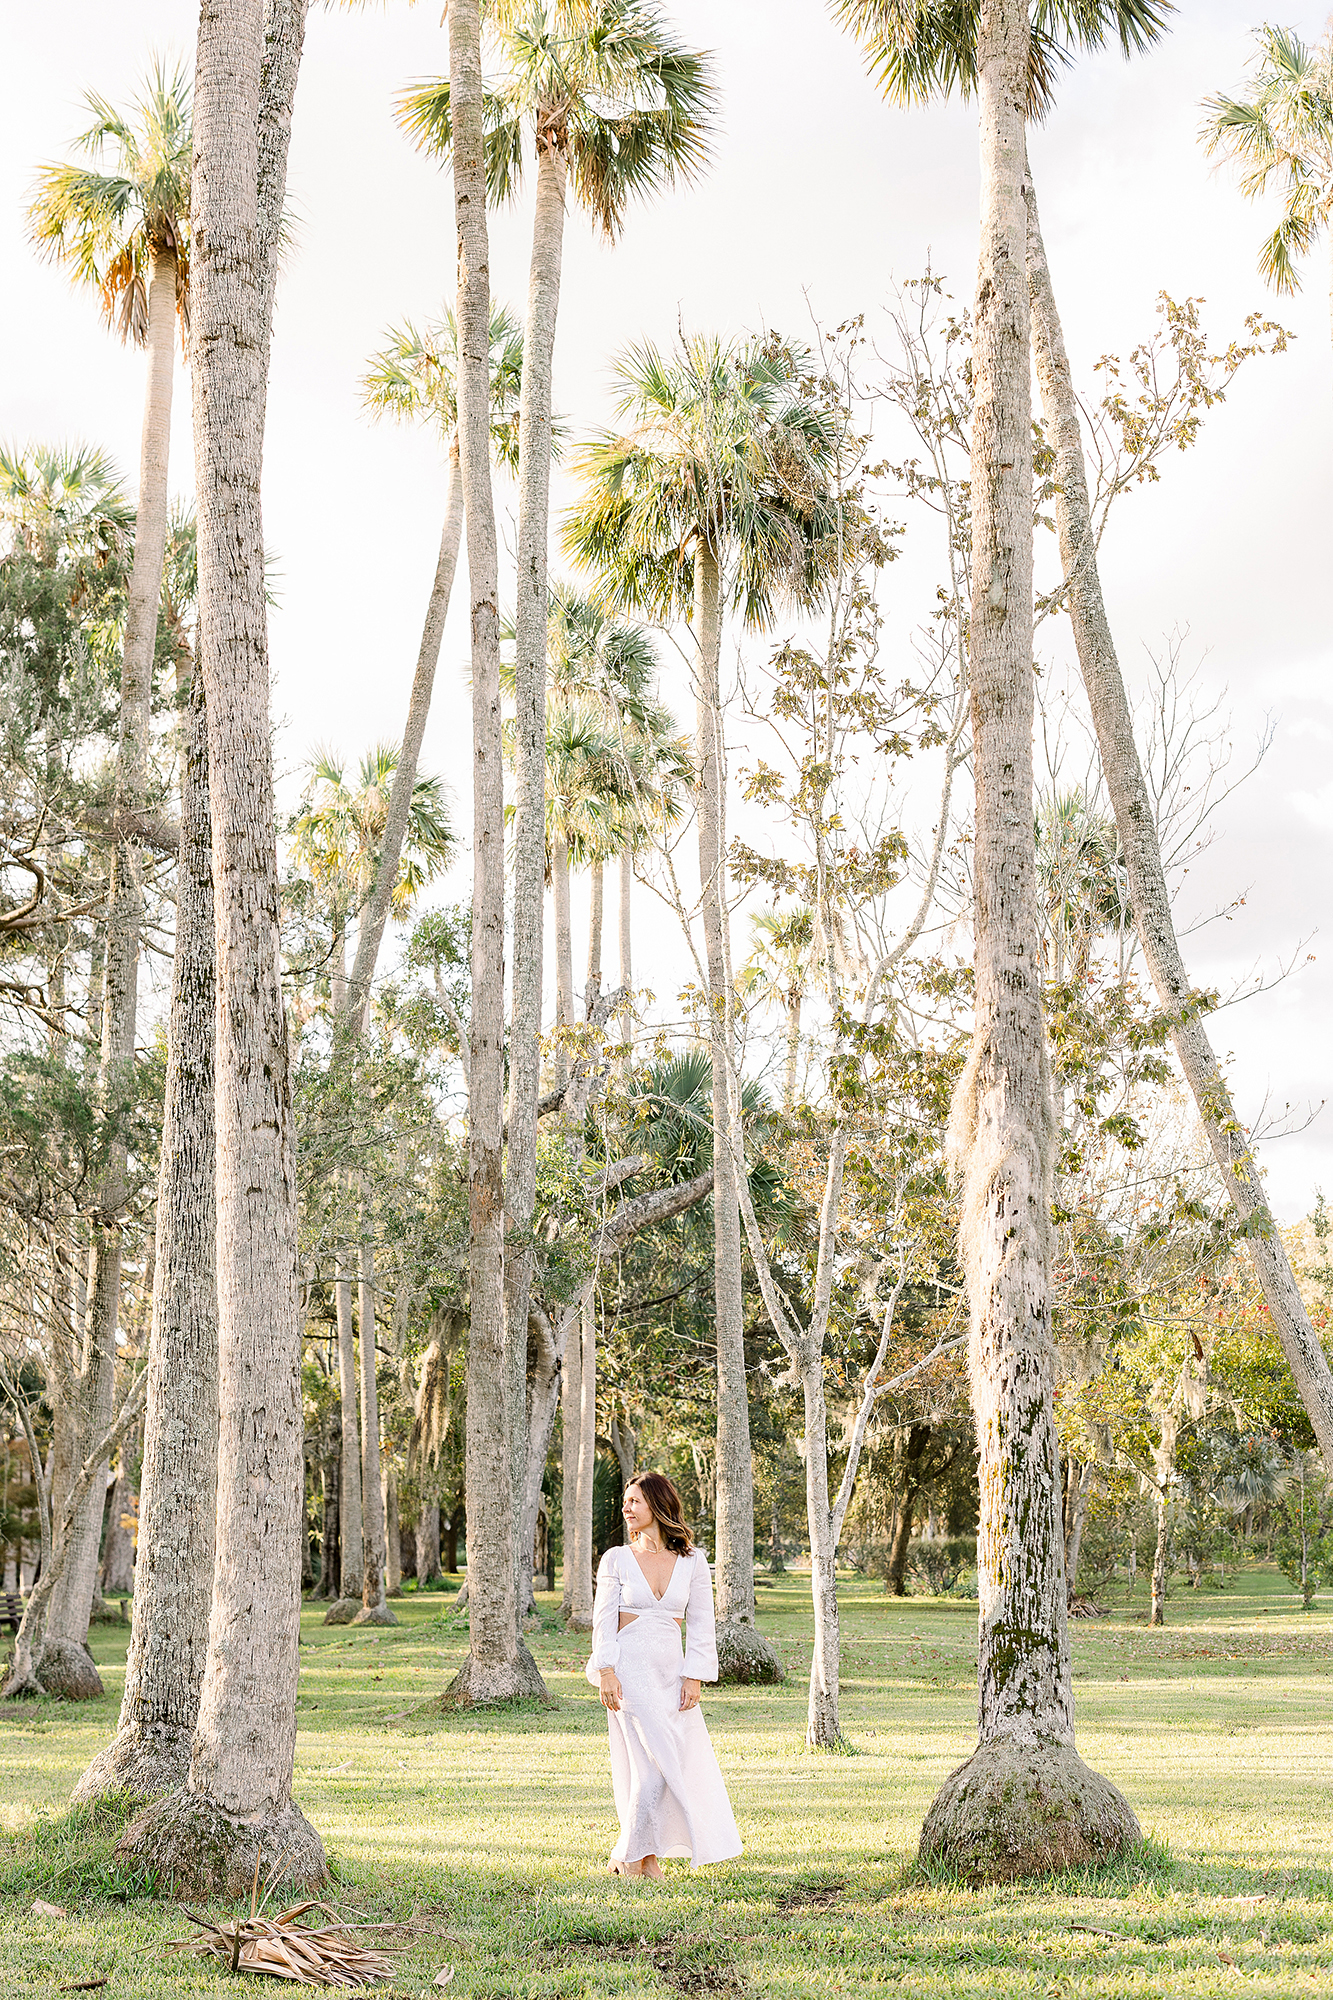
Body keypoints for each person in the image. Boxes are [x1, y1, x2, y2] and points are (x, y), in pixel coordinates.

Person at [585, 1470, 742, 1878]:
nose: (626, 1508)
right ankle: (628, 1857)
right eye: (625, 1501)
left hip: (671, 1675)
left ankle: (640, 1858)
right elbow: (603, 1619)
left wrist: (695, 1675)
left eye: (634, 1501)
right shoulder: (616, 1558)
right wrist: (605, 1670)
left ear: (656, 1505)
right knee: (654, 1772)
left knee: (660, 1768)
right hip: (628, 1673)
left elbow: (702, 1623)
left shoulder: (693, 1561)